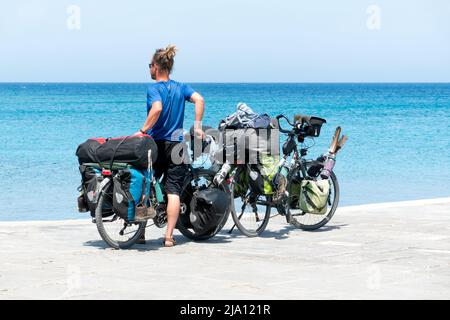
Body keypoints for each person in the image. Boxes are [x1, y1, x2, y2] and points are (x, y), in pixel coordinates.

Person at [135, 45, 205, 247]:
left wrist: (143, 130)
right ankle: (168, 237)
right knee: (173, 190)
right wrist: (198, 125)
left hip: (157, 144)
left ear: (156, 67)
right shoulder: (181, 87)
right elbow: (199, 99)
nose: (149, 68)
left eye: (150, 65)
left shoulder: (154, 89)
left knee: (146, 185)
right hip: (177, 145)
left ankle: (140, 233)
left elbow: (157, 108)